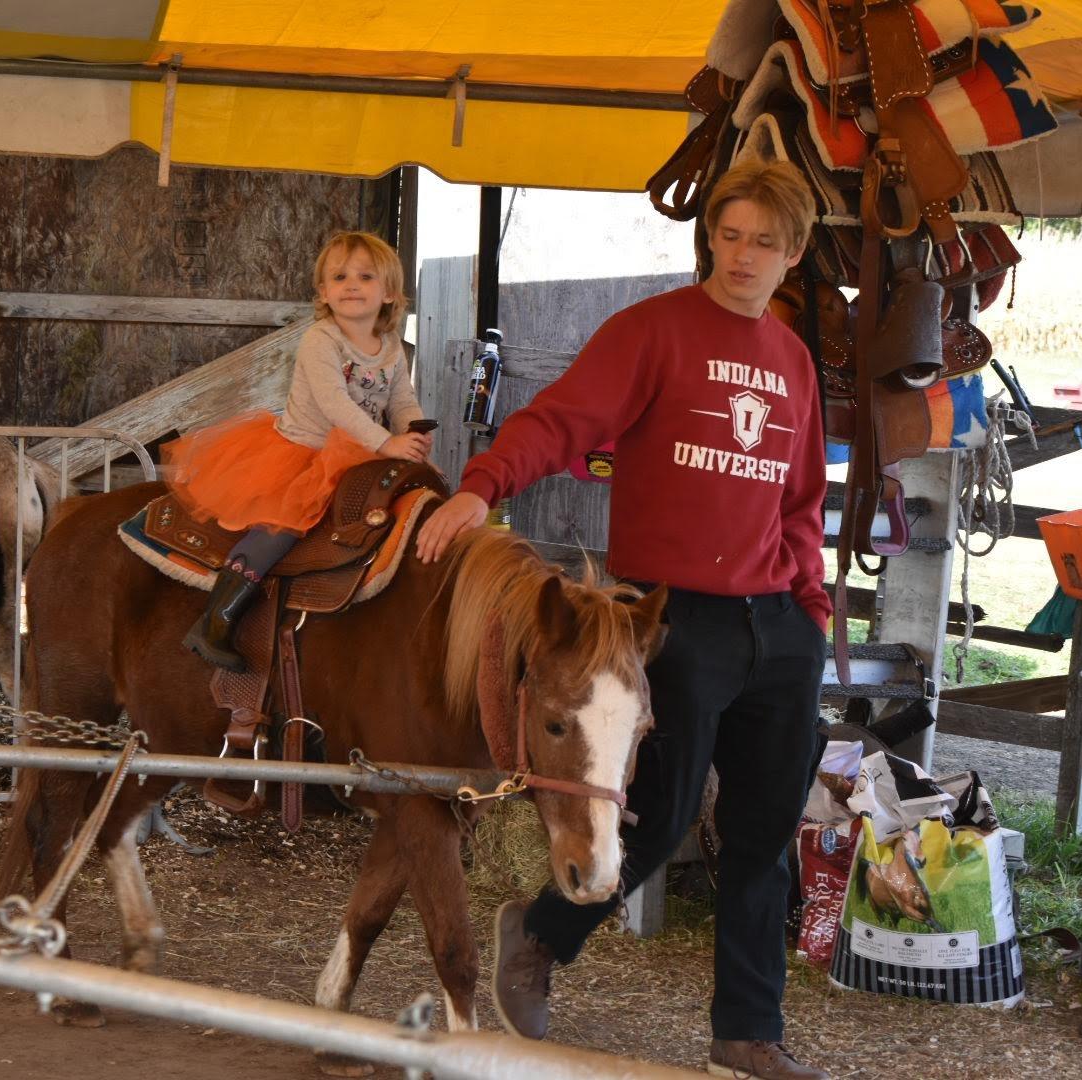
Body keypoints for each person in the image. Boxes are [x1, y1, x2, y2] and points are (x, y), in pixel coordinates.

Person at [415, 158, 831, 1080]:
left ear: (792, 253)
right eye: (729, 234)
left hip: (779, 628)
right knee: (661, 807)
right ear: (709, 239)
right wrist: (482, 487)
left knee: (765, 836)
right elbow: (562, 420)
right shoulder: (652, 332)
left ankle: (746, 1036)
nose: (743, 254)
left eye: (764, 240)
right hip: (677, 621)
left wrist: (812, 607)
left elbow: (801, 498)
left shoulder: (795, 361)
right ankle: (542, 932)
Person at [169, 230, 431, 671]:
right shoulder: (320, 340)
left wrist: (415, 430)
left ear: (389, 293)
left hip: (361, 453)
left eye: (365, 277)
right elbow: (334, 404)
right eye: (340, 276)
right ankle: (218, 616)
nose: (352, 285)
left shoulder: (391, 350)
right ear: (324, 292)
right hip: (305, 451)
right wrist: (388, 441)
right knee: (286, 524)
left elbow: (401, 400)